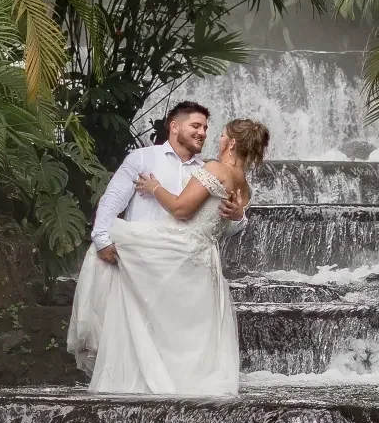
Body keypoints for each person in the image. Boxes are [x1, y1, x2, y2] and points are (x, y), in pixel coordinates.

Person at [68, 115, 269, 402]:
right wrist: (239, 217)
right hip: (205, 259)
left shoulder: (215, 168)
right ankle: (176, 384)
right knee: (182, 328)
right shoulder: (244, 187)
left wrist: (154, 189)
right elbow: (224, 225)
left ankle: (136, 377)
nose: (216, 137)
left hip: (180, 249)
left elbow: (181, 209)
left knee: (113, 248)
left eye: (221, 134)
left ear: (233, 142)